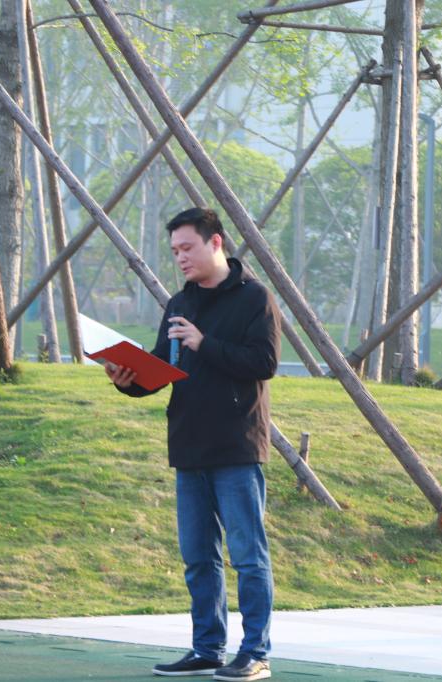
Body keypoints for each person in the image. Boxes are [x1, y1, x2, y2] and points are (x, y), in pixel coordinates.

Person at [104, 207, 280, 681]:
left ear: (215, 242)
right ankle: (207, 649)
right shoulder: (180, 302)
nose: (180, 257)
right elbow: (164, 369)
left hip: (237, 447)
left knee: (248, 556)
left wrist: (205, 344)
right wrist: (127, 379)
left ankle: (256, 652)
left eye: (187, 248)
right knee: (199, 558)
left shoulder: (255, 298)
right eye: (175, 250)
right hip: (188, 446)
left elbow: (264, 363)